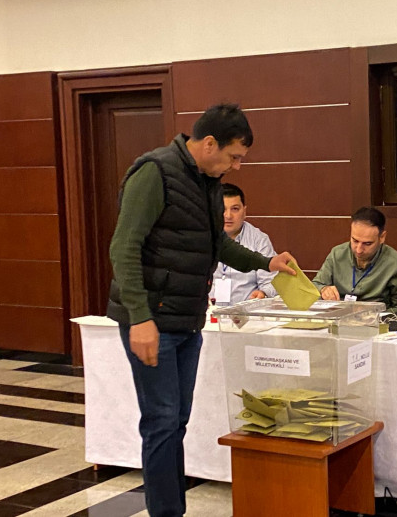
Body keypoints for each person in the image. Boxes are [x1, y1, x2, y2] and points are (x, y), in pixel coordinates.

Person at [106, 103, 296, 517]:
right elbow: (124, 248)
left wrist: (267, 263)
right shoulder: (154, 173)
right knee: (161, 422)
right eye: (234, 156)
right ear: (209, 144)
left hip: (186, 320)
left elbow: (217, 244)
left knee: (176, 421)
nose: (237, 166)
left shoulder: (208, 181)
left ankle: (172, 508)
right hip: (153, 319)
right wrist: (140, 318)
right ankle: (167, 512)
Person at [312, 207, 397, 322]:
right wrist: (323, 289)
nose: (359, 250)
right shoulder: (337, 254)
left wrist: (369, 315)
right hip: (337, 321)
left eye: (367, 244)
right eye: (355, 241)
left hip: (375, 325)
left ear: (382, 237)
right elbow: (315, 285)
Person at [211, 183, 277, 305]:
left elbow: (271, 282)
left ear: (244, 211)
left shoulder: (259, 240)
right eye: (222, 209)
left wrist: (264, 293)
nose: (228, 215)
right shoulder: (203, 237)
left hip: (246, 312)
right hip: (208, 312)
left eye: (235, 209)